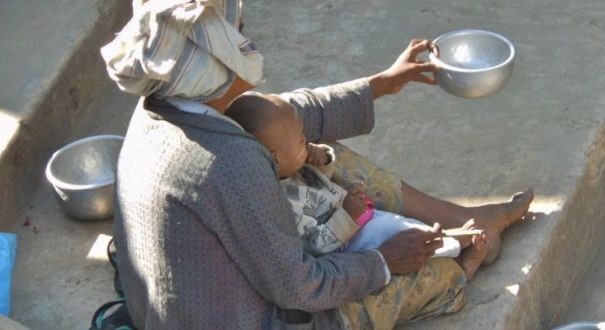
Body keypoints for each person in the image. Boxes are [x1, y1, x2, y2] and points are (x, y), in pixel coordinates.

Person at [101, 0, 534, 328]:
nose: (247, 37)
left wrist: (381, 84)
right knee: (419, 274)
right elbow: (303, 287)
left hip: (197, 296)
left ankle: (469, 218)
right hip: (255, 317)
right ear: (218, 64)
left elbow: (287, 113)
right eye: (238, 32)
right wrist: (383, 261)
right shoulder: (228, 164)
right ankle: (464, 264)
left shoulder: (164, 106)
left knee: (304, 143)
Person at [224, 93, 489, 282]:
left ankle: (452, 243)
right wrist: (347, 217)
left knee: (400, 225)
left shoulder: (290, 168)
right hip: (351, 246)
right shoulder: (279, 202)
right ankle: (460, 249)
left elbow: (322, 178)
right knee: (406, 240)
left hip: (363, 221)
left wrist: (322, 157)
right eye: (300, 140)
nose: (306, 143)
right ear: (273, 158)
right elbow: (314, 246)